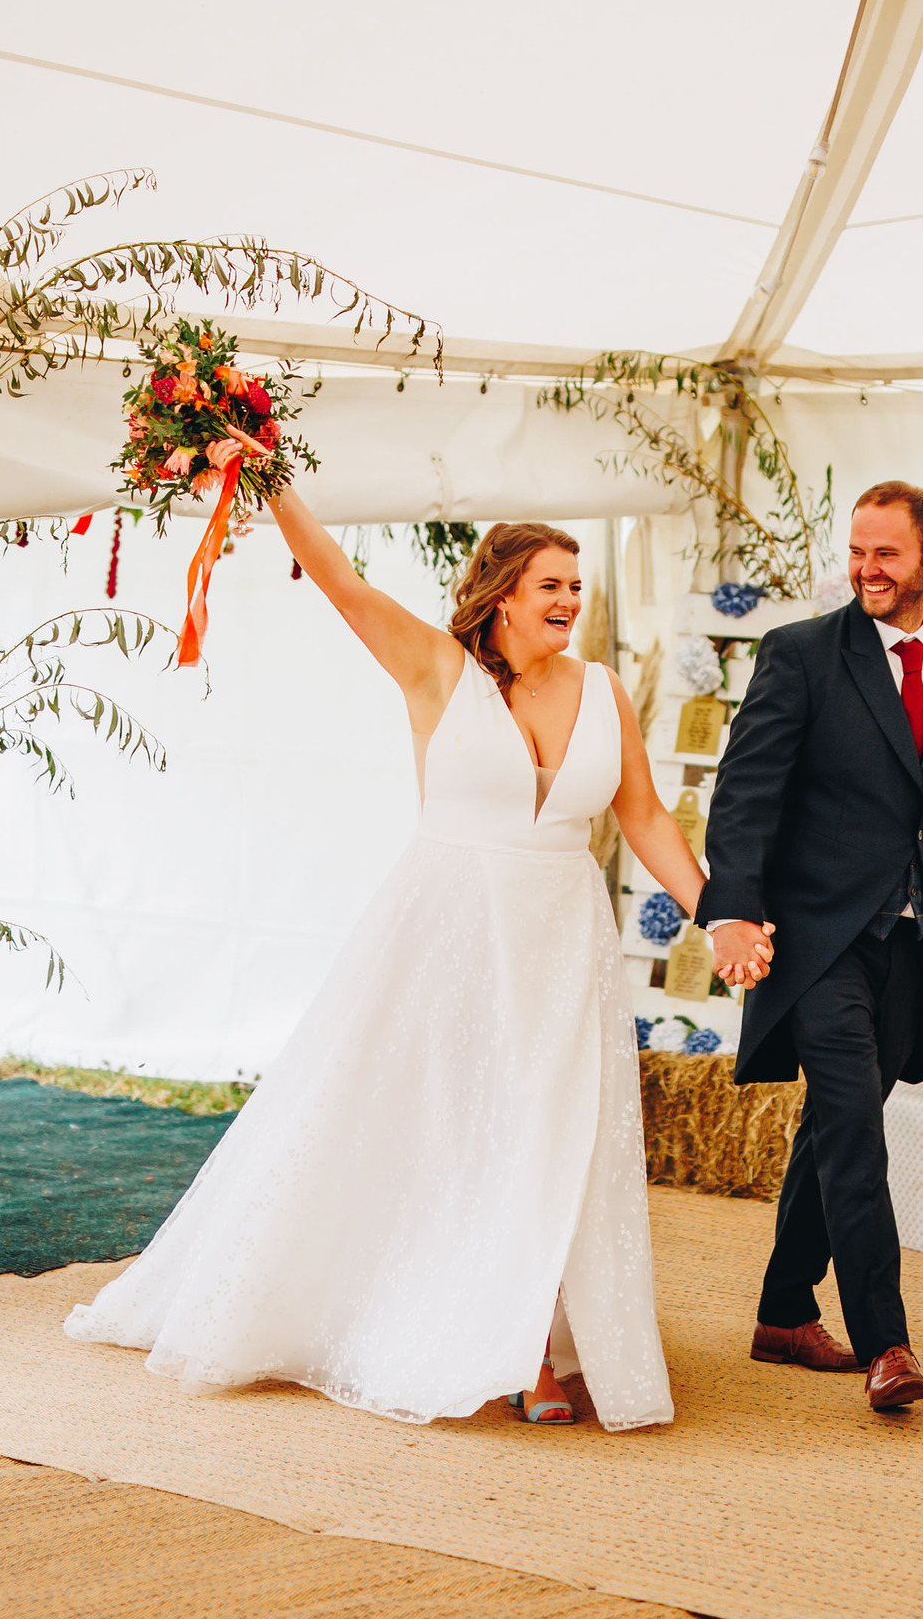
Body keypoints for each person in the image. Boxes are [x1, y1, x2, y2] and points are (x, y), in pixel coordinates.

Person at [65, 487, 749, 1431]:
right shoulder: (434, 667)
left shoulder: (603, 690)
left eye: (576, 586)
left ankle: (534, 1348)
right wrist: (267, 479)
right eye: (550, 584)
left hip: (561, 941)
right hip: (450, 932)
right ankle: (486, 1343)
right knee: (449, 1128)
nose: (569, 600)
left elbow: (641, 818)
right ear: (504, 592)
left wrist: (718, 916)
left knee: (552, 1136)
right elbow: (341, 583)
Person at [698, 481, 923, 1412]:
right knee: (855, 1129)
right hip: (815, 942)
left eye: (885, 553)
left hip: (914, 941)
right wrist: (731, 908)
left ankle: (779, 1310)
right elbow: (745, 792)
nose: (865, 569)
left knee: (832, 1127)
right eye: (856, 551)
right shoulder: (801, 654)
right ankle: (889, 1342)